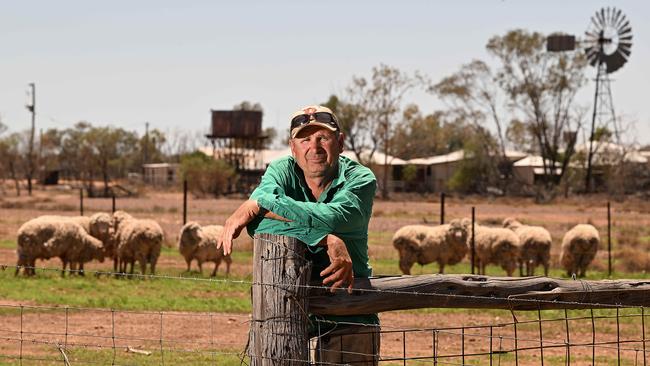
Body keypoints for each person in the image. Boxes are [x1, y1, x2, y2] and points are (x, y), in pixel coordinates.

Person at [219, 105, 380, 365]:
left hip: (349, 311)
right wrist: (326, 237)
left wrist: (260, 203)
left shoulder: (360, 179)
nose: (313, 147)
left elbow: (333, 217)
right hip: (285, 309)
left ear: (340, 142)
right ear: (293, 148)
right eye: (304, 139)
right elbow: (256, 226)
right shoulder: (281, 170)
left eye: (323, 138)